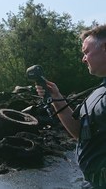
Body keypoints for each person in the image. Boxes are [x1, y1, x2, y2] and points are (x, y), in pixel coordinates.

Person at [35, 24, 106, 188]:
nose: (83, 58)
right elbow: (79, 132)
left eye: (86, 51)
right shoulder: (97, 93)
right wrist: (56, 96)